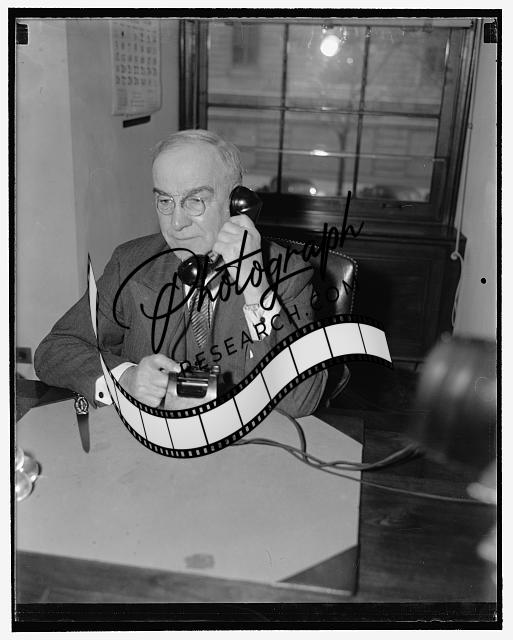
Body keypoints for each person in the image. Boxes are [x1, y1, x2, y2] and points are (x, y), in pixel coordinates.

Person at [34, 130, 327, 418]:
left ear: (238, 204)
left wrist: (255, 287)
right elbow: (55, 350)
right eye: (165, 201)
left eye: (195, 200)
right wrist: (125, 378)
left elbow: (300, 399)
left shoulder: (287, 274)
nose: (176, 223)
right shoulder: (131, 264)